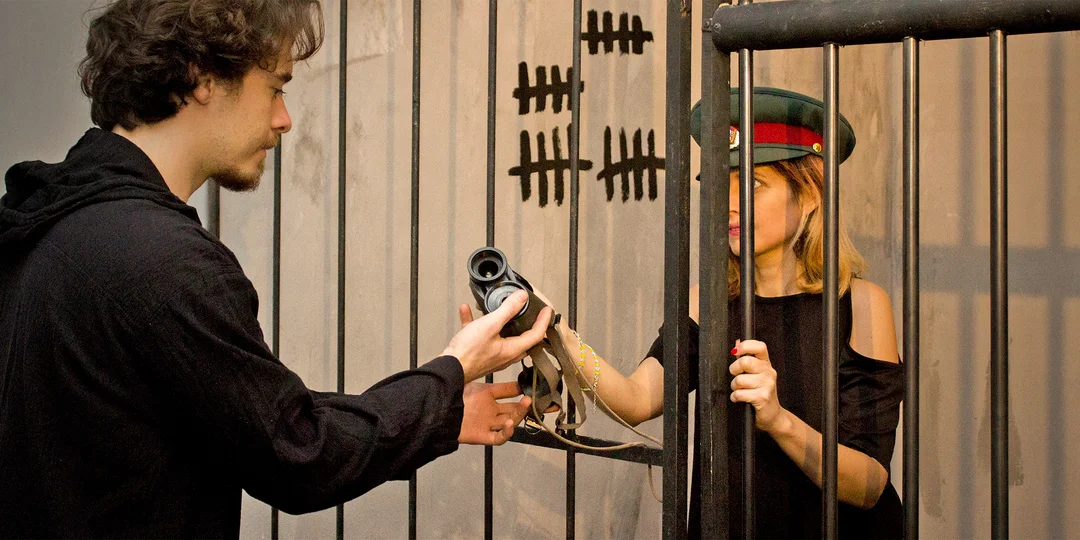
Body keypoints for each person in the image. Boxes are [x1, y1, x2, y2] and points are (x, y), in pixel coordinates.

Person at [0, 0, 551, 537]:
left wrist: (440, 412)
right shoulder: (163, 261)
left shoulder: (49, 222)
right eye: (276, 87)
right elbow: (298, 453)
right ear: (201, 77)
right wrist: (454, 366)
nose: (284, 119)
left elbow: (242, 413)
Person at [540, 87, 905, 538]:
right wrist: (558, 334)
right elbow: (636, 401)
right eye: (718, 185)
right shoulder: (706, 304)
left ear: (811, 193)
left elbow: (868, 486)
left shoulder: (862, 304)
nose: (727, 203)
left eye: (751, 184)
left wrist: (778, 420)